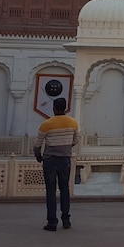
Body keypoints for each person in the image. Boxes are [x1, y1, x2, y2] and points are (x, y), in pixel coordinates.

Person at [33, 97, 79, 231]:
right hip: (65, 159)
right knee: (64, 189)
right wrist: (65, 146)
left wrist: (38, 156)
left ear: (53, 108)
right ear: (65, 108)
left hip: (50, 160)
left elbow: (37, 144)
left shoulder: (47, 124)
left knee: (51, 191)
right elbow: (75, 140)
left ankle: (52, 222)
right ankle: (66, 220)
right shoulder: (73, 123)